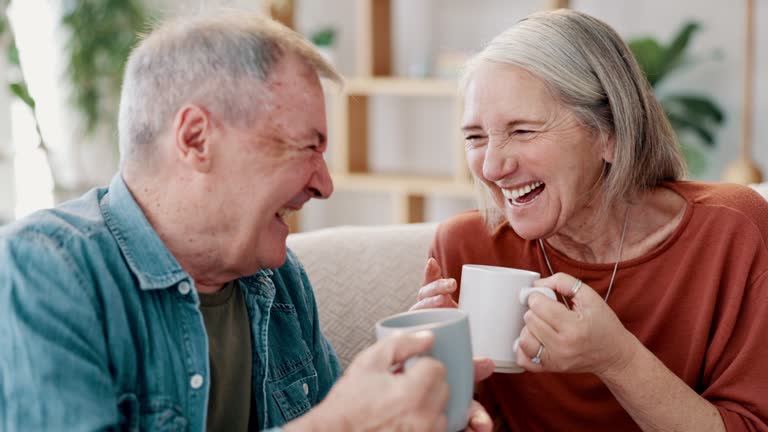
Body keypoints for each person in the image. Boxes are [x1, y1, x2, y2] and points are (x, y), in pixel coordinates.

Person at [0, 11, 494, 432]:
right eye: (307, 147)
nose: (324, 184)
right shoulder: (46, 270)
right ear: (196, 139)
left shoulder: (279, 281)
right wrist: (338, 424)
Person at [412, 9, 768, 431]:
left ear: (611, 133)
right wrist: (434, 380)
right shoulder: (465, 247)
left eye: (523, 131)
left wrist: (616, 359)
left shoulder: (732, 232)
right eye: (475, 136)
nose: (491, 166)